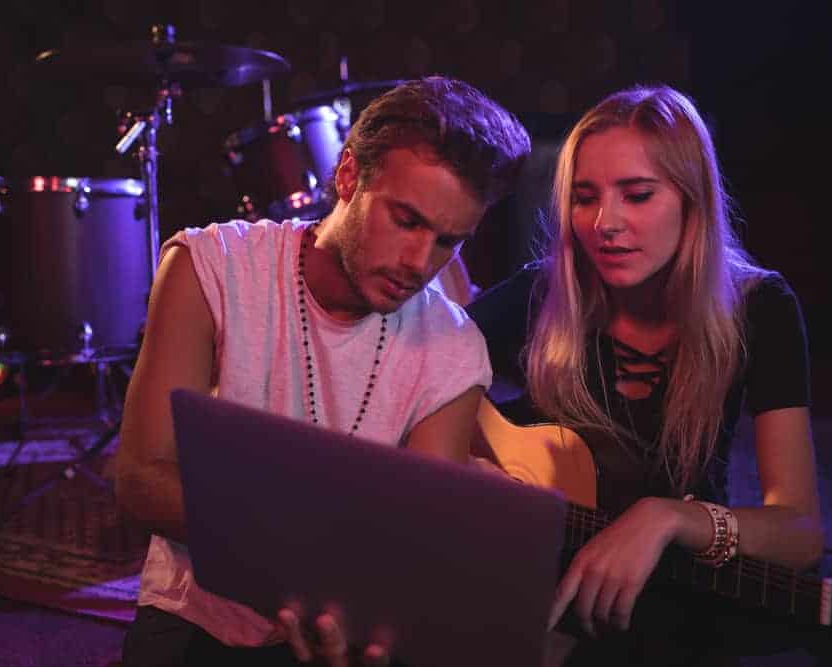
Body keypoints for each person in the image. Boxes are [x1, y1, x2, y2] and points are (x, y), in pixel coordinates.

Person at [113, 75, 531, 666]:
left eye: (447, 242)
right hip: (198, 620)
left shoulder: (456, 346)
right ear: (348, 177)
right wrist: (333, 542)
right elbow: (138, 482)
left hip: (349, 633)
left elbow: (420, 538)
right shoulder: (211, 267)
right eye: (406, 220)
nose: (419, 264)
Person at [466, 84, 822, 665]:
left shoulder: (759, 308)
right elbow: (409, 368)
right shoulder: (543, 290)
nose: (604, 223)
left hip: (672, 595)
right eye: (584, 198)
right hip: (525, 581)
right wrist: (465, 469)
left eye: (636, 195)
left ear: (692, 200)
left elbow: (801, 531)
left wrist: (667, 516)